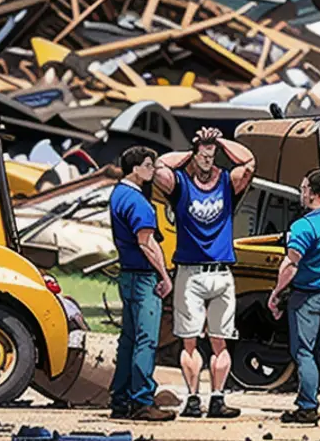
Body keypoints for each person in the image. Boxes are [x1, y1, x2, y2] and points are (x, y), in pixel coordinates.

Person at [154, 126, 256, 419]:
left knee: (220, 340)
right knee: (189, 341)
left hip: (222, 271)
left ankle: (218, 398)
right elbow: (159, 165)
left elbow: (248, 163)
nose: (207, 162)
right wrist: (193, 148)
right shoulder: (181, 184)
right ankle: (193, 397)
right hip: (189, 271)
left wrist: (220, 141)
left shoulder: (227, 182)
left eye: (211, 157)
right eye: (203, 157)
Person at [268, 169, 320, 425]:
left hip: (307, 297)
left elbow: (291, 264)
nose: (301, 193)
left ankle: (307, 407)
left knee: (304, 352)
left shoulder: (304, 225)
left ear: (315, 194)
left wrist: (276, 292)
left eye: (304, 189)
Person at [108, 146, 176, 422]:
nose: (153, 170)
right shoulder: (138, 202)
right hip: (144, 276)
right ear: (135, 169)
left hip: (127, 274)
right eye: (149, 165)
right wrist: (164, 275)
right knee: (146, 341)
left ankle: (120, 398)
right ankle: (142, 400)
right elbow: (147, 243)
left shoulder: (117, 195)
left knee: (129, 340)